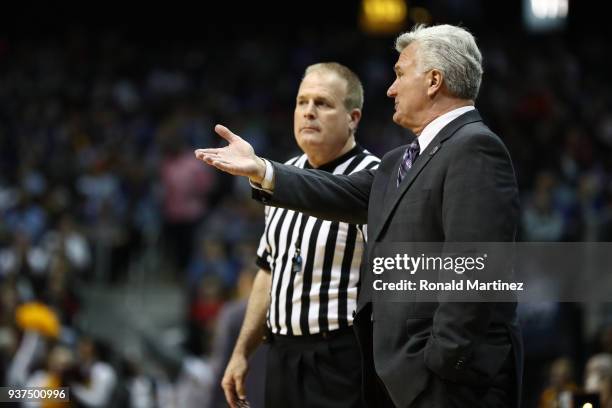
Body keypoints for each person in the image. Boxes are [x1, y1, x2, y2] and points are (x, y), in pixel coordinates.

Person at [196, 24, 522, 408]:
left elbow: (476, 268)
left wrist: (441, 363)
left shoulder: (474, 147)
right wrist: (262, 169)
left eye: (400, 74)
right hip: (395, 375)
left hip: (446, 382)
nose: (391, 88)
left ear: (434, 81)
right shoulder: (403, 159)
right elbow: (339, 191)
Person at [218, 62, 379, 408]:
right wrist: (242, 350)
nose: (308, 112)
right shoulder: (284, 177)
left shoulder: (376, 178)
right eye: (301, 102)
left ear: (353, 118)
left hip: (343, 357)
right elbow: (268, 270)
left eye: (322, 103)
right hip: (282, 353)